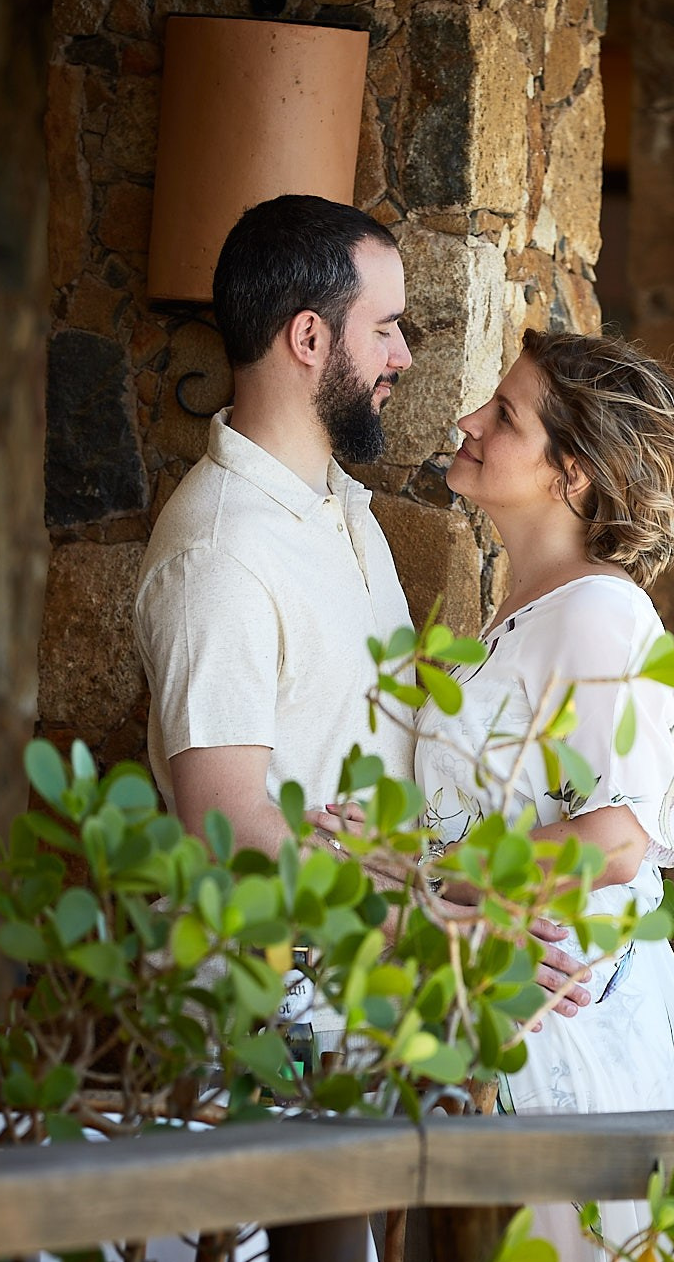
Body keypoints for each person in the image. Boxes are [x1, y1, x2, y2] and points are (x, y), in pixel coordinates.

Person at [133, 194, 594, 1020]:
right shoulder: (220, 552)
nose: (406, 356)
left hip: (364, 998)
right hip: (268, 1006)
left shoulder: (346, 511)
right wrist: (428, 928)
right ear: (308, 338)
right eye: (384, 328)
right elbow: (225, 826)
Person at [411, 330, 674, 1262]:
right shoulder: (523, 613)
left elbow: (615, 837)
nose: (468, 423)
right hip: (505, 1008)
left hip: (567, 1026)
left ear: (570, 475)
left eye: (503, 417)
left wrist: (440, 885)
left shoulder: (600, 616)